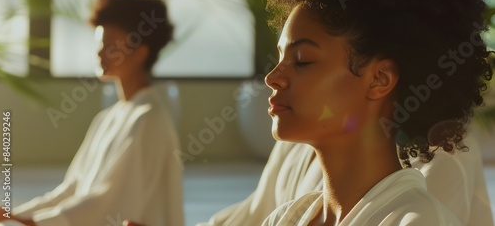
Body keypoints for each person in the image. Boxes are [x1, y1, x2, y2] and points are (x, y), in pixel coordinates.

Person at [254, 0, 493, 224]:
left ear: (380, 79)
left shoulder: (417, 221)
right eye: (281, 56)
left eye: (303, 60)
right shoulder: (284, 218)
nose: (273, 77)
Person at [0, 0, 184, 226]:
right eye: (100, 43)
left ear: (140, 52)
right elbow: (70, 191)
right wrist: (12, 216)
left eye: (111, 44)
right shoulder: (107, 118)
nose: (99, 52)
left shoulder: (149, 119)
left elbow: (107, 205)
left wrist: (26, 221)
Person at [198, 134, 493, 225]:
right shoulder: (297, 143)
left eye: (303, 61)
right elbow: (253, 213)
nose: (273, 77)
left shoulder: (442, 157)